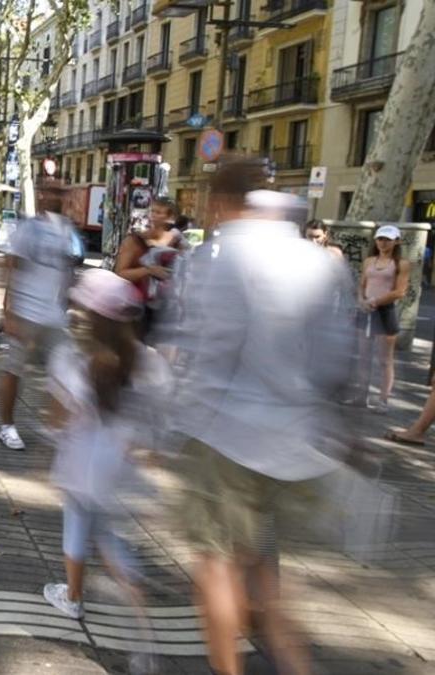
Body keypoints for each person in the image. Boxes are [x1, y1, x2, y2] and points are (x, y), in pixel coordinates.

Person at [169, 156, 355, 675]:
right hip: (297, 442)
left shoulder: (219, 259)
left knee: (216, 569)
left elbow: (210, 355)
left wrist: (167, 427)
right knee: (266, 582)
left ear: (221, 202)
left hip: (228, 441)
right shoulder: (319, 261)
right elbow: (338, 359)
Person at [41, 270, 165, 675]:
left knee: (80, 531)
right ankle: (142, 638)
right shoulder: (147, 360)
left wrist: (49, 436)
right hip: (119, 466)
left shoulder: (71, 359)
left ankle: (74, 597)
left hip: (81, 463)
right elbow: (156, 418)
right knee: (110, 538)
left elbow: (58, 419)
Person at [0, 183, 76, 451]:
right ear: (41, 195)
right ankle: (7, 426)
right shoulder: (27, 228)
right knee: (14, 370)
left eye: (60, 192)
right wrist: (8, 314)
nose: (55, 197)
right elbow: (10, 267)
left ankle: (54, 426)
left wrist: (69, 305)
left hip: (55, 315)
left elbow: (66, 272)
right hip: (25, 311)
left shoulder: (66, 229)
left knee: (65, 370)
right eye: (50, 192)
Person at [354, 224, 409, 412]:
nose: (383, 243)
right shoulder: (369, 261)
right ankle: (361, 396)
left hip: (384, 312)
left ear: (396, 241)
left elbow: (400, 291)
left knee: (385, 360)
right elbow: (362, 284)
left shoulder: (401, 263)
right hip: (366, 310)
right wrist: (361, 300)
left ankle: (383, 400)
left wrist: (376, 301)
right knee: (363, 356)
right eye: (380, 239)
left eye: (387, 239)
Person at [114, 196, 184, 338]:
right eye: (153, 211)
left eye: (159, 212)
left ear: (171, 217)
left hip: (167, 309)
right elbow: (120, 273)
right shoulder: (135, 240)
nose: (153, 216)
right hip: (137, 308)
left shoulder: (178, 242)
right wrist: (148, 270)